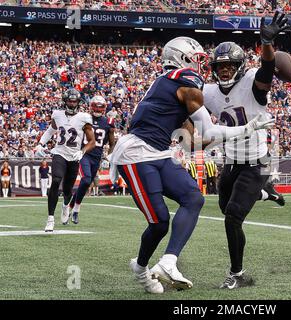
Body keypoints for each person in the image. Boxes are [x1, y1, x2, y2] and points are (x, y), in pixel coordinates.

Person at [108, 36, 273, 294]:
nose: (199, 66)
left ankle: (168, 262)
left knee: (193, 198)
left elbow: (192, 142)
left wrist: (203, 144)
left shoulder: (169, 84)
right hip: (136, 153)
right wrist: (247, 128)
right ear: (182, 59)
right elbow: (208, 128)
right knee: (160, 222)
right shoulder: (184, 78)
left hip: (159, 151)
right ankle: (141, 269)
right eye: (195, 59)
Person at [202, 11, 288, 289]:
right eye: (220, 66)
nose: (224, 70)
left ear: (239, 66)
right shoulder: (209, 92)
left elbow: (265, 73)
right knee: (225, 208)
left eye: (230, 66)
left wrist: (266, 43)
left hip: (256, 162)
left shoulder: (252, 82)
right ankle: (266, 193)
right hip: (232, 162)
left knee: (233, 217)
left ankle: (237, 274)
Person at [35, 88, 96, 232]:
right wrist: (40, 144)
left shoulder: (84, 118)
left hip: (74, 155)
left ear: (78, 102)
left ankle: (65, 206)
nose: (72, 103)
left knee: (68, 189)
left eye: (74, 101)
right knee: (56, 180)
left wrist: (82, 152)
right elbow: (51, 130)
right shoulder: (57, 114)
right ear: (65, 101)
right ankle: (50, 218)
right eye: (70, 100)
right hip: (59, 152)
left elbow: (92, 141)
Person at [68, 95, 116, 224]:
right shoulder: (84, 119)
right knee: (86, 179)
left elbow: (112, 143)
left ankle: (71, 206)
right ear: (91, 107)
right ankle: (76, 210)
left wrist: (109, 156)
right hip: (84, 154)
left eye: (100, 107)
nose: (98, 110)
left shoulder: (109, 123)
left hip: (97, 157)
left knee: (86, 183)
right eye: (96, 107)